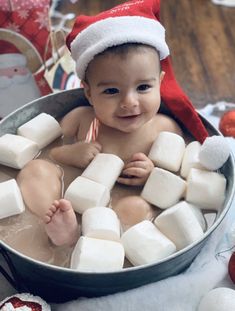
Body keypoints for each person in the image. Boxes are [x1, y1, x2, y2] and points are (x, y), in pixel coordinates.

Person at [17, 0, 212, 247]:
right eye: (111, 91)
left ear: (160, 82)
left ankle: (92, 244)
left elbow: (178, 178)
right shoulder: (80, 119)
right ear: (88, 93)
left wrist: (152, 175)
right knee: (34, 170)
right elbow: (49, 153)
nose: (129, 102)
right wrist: (70, 153)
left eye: (143, 87)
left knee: (138, 208)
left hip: (117, 208)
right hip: (65, 195)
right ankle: (63, 229)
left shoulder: (165, 129)